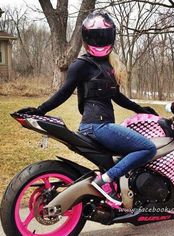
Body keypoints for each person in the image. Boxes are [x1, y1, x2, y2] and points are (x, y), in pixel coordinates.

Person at [19, 10, 157, 206]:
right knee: (148, 148)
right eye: (95, 36)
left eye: (103, 36)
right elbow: (64, 92)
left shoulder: (108, 67)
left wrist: (140, 109)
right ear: (86, 37)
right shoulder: (81, 65)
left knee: (128, 152)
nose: (99, 40)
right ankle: (105, 182)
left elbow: (117, 97)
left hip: (97, 127)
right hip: (98, 127)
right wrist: (40, 110)